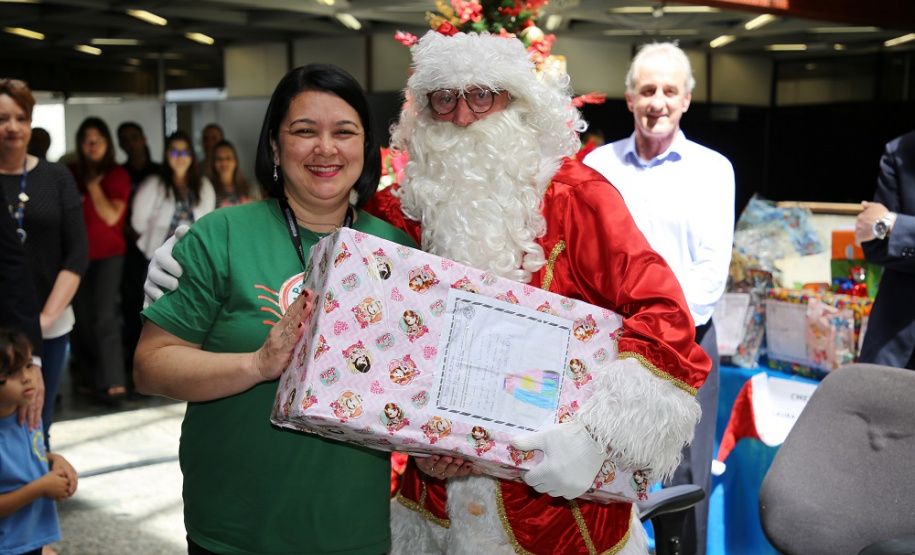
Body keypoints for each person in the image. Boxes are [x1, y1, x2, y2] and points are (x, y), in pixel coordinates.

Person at [363, 30, 710, 554]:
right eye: (444, 99)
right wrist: (414, 439)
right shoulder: (402, 211)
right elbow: (372, 335)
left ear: (518, 102)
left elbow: (665, 315)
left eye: (482, 95)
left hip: (559, 518)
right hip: (436, 515)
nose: (462, 117)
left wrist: (595, 438)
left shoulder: (576, 198)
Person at [133, 63, 416, 554]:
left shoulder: (396, 251)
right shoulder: (221, 236)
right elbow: (149, 367)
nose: (325, 148)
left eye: (344, 132)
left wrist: (436, 449)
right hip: (236, 528)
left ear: (366, 147)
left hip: (352, 527)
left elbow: (412, 382)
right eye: (304, 131)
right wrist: (257, 364)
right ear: (274, 146)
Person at [583, 42, 735, 555]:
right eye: (647, 90)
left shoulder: (713, 169)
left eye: (670, 90)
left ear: (687, 99)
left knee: (684, 479)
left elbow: (710, 272)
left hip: (686, 345)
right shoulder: (599, 164)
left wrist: (658, 333)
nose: (658, 102)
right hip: (610, 342)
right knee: (600, 467)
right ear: (629, 98)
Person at [0, 78, 88, 448]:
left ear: (31, 122)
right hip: (2, 324)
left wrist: (44, 319)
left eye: (20, 118)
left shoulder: (55, 177)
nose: (12, 127)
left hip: (48, 324)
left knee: (37, 422)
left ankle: (36, 480)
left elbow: (77, 252)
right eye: (2, 118)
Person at [68, 117, 132, 404]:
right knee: (80, 319)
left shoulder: (116, 174)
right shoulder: (70, 173)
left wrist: (94, 186)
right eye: (87, 140)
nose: (92, 145)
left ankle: (114, 381)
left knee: (104, 316)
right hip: (75, 255)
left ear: (108, 143)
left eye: (98, 139)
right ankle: (90, 379)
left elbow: (111, 216)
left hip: (109, 255)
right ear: (79, 144)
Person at [0, 327, 78, 555]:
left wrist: (54, 460)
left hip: (30, 538)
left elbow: (28, 454)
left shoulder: (26, 416)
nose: (26, 378)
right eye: (10, 372)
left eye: (27, 365)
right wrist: (41, 488)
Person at [855, 128, 915, 369]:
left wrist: (893, 225)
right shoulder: (902, 150)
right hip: (894, 344)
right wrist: (889, 229)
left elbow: (882, 227)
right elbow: (875, 244)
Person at [116, 121, 162, 393]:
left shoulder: (159, 172)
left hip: (158, 249)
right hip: (129, 252)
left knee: (158, 310)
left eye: (134, 137)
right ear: (121, 144)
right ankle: (133, 373)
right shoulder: (120, 173)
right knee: (132, 309)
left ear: (143, 138)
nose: (131, 143)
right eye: (125, 139)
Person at [131, 131, 216, 266]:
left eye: (185, 152)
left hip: (194, 258)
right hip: (159, 257)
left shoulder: (203, 185)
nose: (180, 157)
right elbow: (138, 223)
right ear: (167, 155)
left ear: (192, 155)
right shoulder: (153, 184)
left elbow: (208, 222)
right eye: (175, 152)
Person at [210, 139, 255, 207]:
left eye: (228, 158)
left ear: (236, 161)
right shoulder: (210, 191)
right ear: (213, 163)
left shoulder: (251, 187)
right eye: (219, 158)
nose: (224, 162)